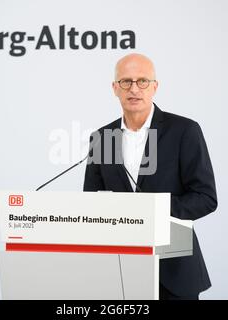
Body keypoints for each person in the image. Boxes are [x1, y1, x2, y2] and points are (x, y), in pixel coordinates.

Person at [83, 53, 218, 300]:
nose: (134, 88)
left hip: (174, 273)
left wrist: (151, 210)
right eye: (126, 82)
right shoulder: (102, 138)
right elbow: (91, 204)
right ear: (115, 88)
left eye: (142, 81)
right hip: (119, 274)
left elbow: (205, 197)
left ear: (155, 87)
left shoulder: (184, 131)